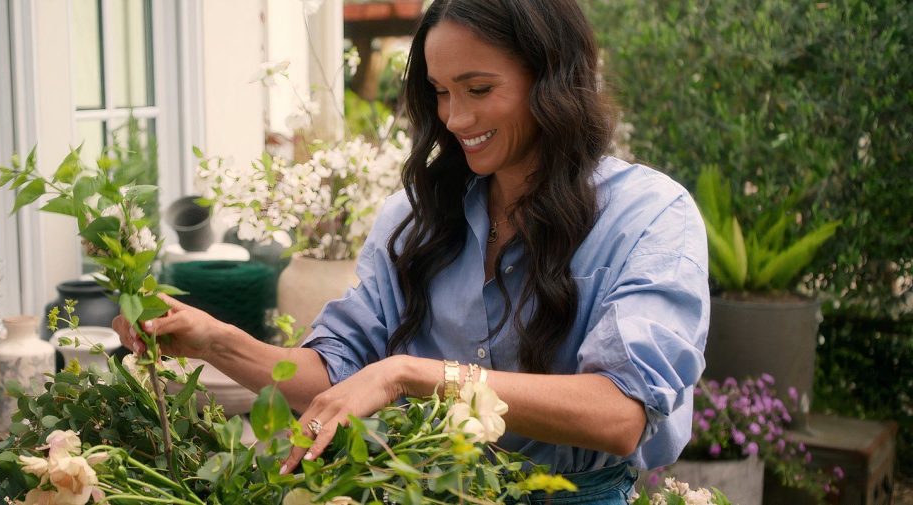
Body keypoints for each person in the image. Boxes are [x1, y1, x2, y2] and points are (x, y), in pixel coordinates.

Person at [115, 0, 708, 502]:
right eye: (441, 92)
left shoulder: (650, 217)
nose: (455, 118)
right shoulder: (416, 219)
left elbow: (618, 415)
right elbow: (338, 374)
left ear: (552, 79)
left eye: (479, 89)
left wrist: (409, 375)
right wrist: (214, 340)